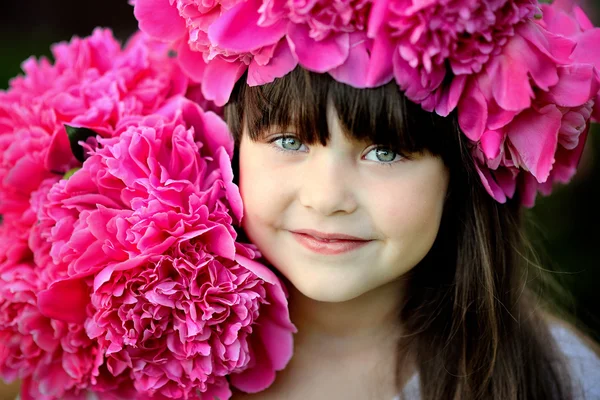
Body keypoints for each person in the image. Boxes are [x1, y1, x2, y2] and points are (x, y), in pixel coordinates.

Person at [220, 66, 600, 399]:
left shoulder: (563, 378)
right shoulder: (169, 355)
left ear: (459, 176)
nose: (326, 199)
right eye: (289, 141)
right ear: (234, 149)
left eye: (384, 152)